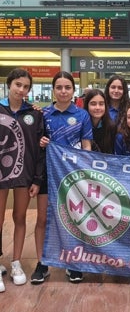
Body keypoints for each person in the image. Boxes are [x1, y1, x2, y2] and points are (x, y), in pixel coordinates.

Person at [31, 71, 93, 285]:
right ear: (53, 90)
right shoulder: (43, 114)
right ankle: (42, 263)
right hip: (48, 174)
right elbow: (36, 142)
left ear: (73, 91)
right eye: (59, 87)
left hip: (73, 176)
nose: (63, 91)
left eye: (68, 87)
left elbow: (86, 146)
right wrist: (41, 143)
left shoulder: (82, 115)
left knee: (74, 219)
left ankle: (73, 262)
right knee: (42, 218)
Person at [0, 68, 45, 291]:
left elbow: (39, 149)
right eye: (18, 84)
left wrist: (37, 179)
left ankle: (16, 262)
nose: (21, 90)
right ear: (9, 84)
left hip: (24, 174)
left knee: (20, 217)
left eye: (26, 86)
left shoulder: (35, 114)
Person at [83, 88, 116, 154]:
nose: (97, 108)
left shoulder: (112, 127)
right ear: (87, 105)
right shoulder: (81, 126)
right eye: (93, 104)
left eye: (101, 104)